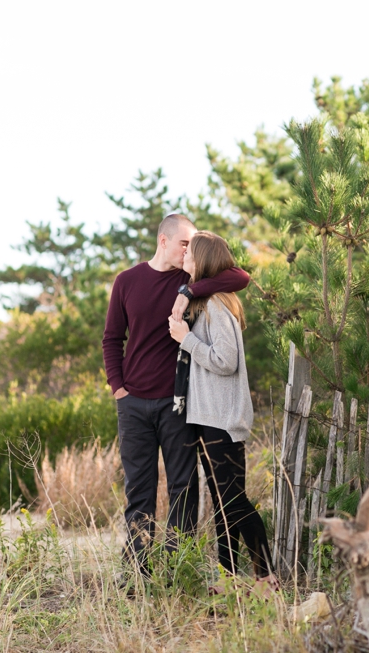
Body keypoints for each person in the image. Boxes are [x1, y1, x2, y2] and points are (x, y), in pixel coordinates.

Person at [102, 214, 249, 574]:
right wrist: (118, 388)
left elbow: (241, 277)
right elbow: (111, 339)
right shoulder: (126, 281)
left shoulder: (190, 279)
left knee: (183, 488)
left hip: (177, 403)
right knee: (140, 490)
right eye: (185, 243)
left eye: (192, 246)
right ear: (164, 241)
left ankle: (175, 568)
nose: (189, 250)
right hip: (133, 404)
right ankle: (138, 571)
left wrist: (188, 291)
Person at [167, 231, 277, 590]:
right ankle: (228, 577)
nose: (184, 256)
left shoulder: (216, 305)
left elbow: (225, 361)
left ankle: (266, 575)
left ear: (201, 259)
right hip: (208, 418)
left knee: (233, 500)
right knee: (223, 503)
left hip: (222, 420)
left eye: (190, 252)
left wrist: (187, 340)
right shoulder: (207, 300)